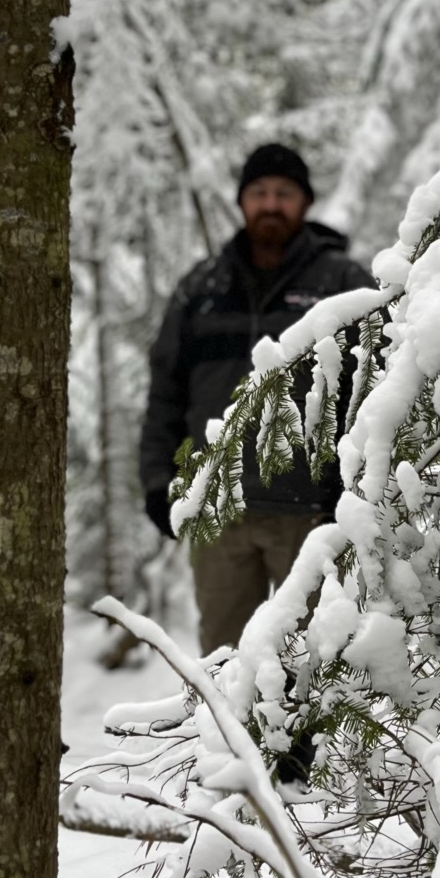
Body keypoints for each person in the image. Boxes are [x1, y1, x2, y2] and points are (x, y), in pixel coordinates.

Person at [139, 144, 373, 654]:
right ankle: (226, 739)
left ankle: (305, 740)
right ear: (242, 202)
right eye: (260, 193)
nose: (271, 204)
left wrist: (350, 484)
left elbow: (373, 387)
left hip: (313, 510)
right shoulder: (200, 289)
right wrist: (159, 481)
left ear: (305, 202)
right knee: (224, 662)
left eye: (284, 193)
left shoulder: (341, 282)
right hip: (220, 510)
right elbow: (165, 392)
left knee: (314, 663)